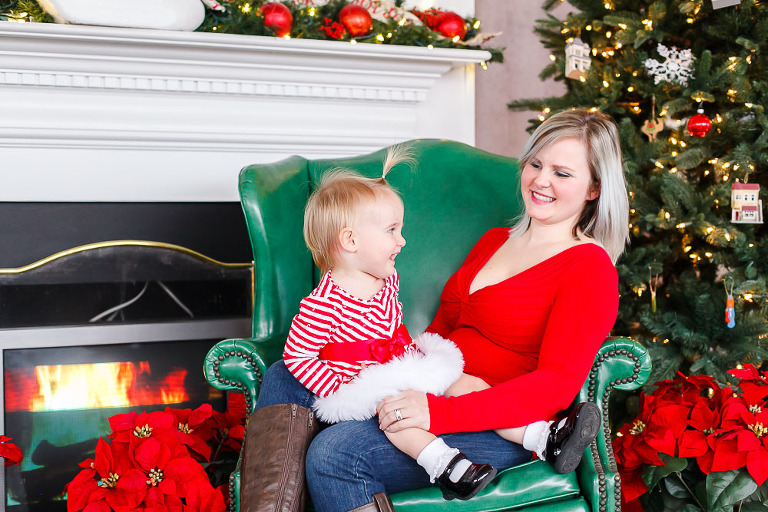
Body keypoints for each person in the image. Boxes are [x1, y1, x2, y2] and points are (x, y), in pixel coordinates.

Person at [243, 108, 629, 512]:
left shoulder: (589, 268)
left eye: (562, 173)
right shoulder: (494, 241)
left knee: (335, 454)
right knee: (286, 373)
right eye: (535, 164)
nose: (541, 180)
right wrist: (388, 374)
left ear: (594, 189)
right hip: (435, 387)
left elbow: (556, 385)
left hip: (498, 422)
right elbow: (439, 334)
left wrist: (436, 411)